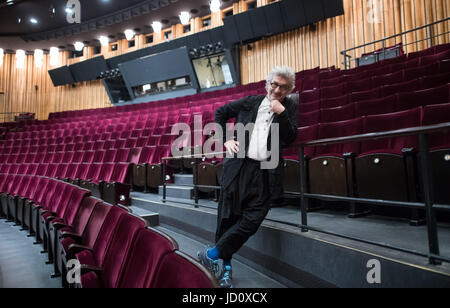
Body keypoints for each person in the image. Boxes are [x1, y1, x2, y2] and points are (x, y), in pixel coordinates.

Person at [197, 67, 298, 288]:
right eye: (274, 83)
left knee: (253, 219)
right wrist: (225, 139)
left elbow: (290, 138)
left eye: (282, 86)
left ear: (288, 89)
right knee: (228, 217)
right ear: (267, 83)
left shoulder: (289, 107)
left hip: (265, 172)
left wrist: (281, 112)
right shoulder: (250, 101)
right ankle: (226, 269)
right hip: (238, 167)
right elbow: (221, 112)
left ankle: (212, 253)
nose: (276, 88)